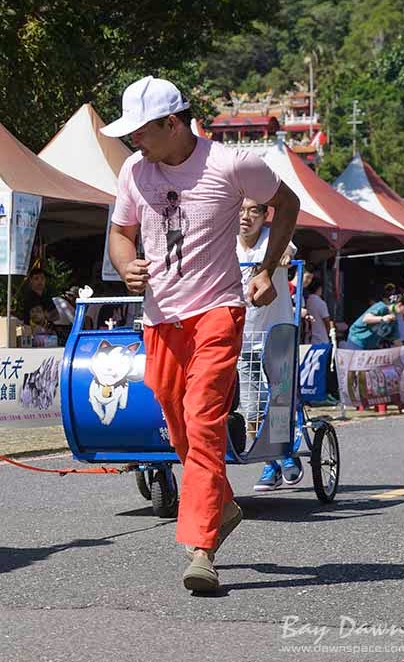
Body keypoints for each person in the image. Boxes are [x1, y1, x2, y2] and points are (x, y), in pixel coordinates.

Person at [104, 75, 300, 592]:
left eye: (142, 131)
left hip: (217, 311)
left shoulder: (232, 164)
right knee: (181, 428)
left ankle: (201, 548)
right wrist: (126, 267)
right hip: (159, 319)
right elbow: (120, 235)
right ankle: (224, 505)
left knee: (204, 421)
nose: (134, 142)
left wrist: (265, 269)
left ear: (173, 123)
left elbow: (290, 205)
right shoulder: (133, 170)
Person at [235, 200, 304, 492]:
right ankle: (269, 463)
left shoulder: (272, 240)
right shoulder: (226, 243)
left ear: (265, 215)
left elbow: (287, 249)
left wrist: (283, 256)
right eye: (241, 210)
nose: (246, 216)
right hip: (241, 338)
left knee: (279, 400)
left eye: (254, 210)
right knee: (251, 407)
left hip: (276, 335)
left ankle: (285, 455)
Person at [304, 276, 332, 345]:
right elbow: (327, 321)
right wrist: (330, 334)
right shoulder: (321, 303)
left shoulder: (307, 301)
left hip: (309, 339)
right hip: (321, 339)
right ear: (319, 288)